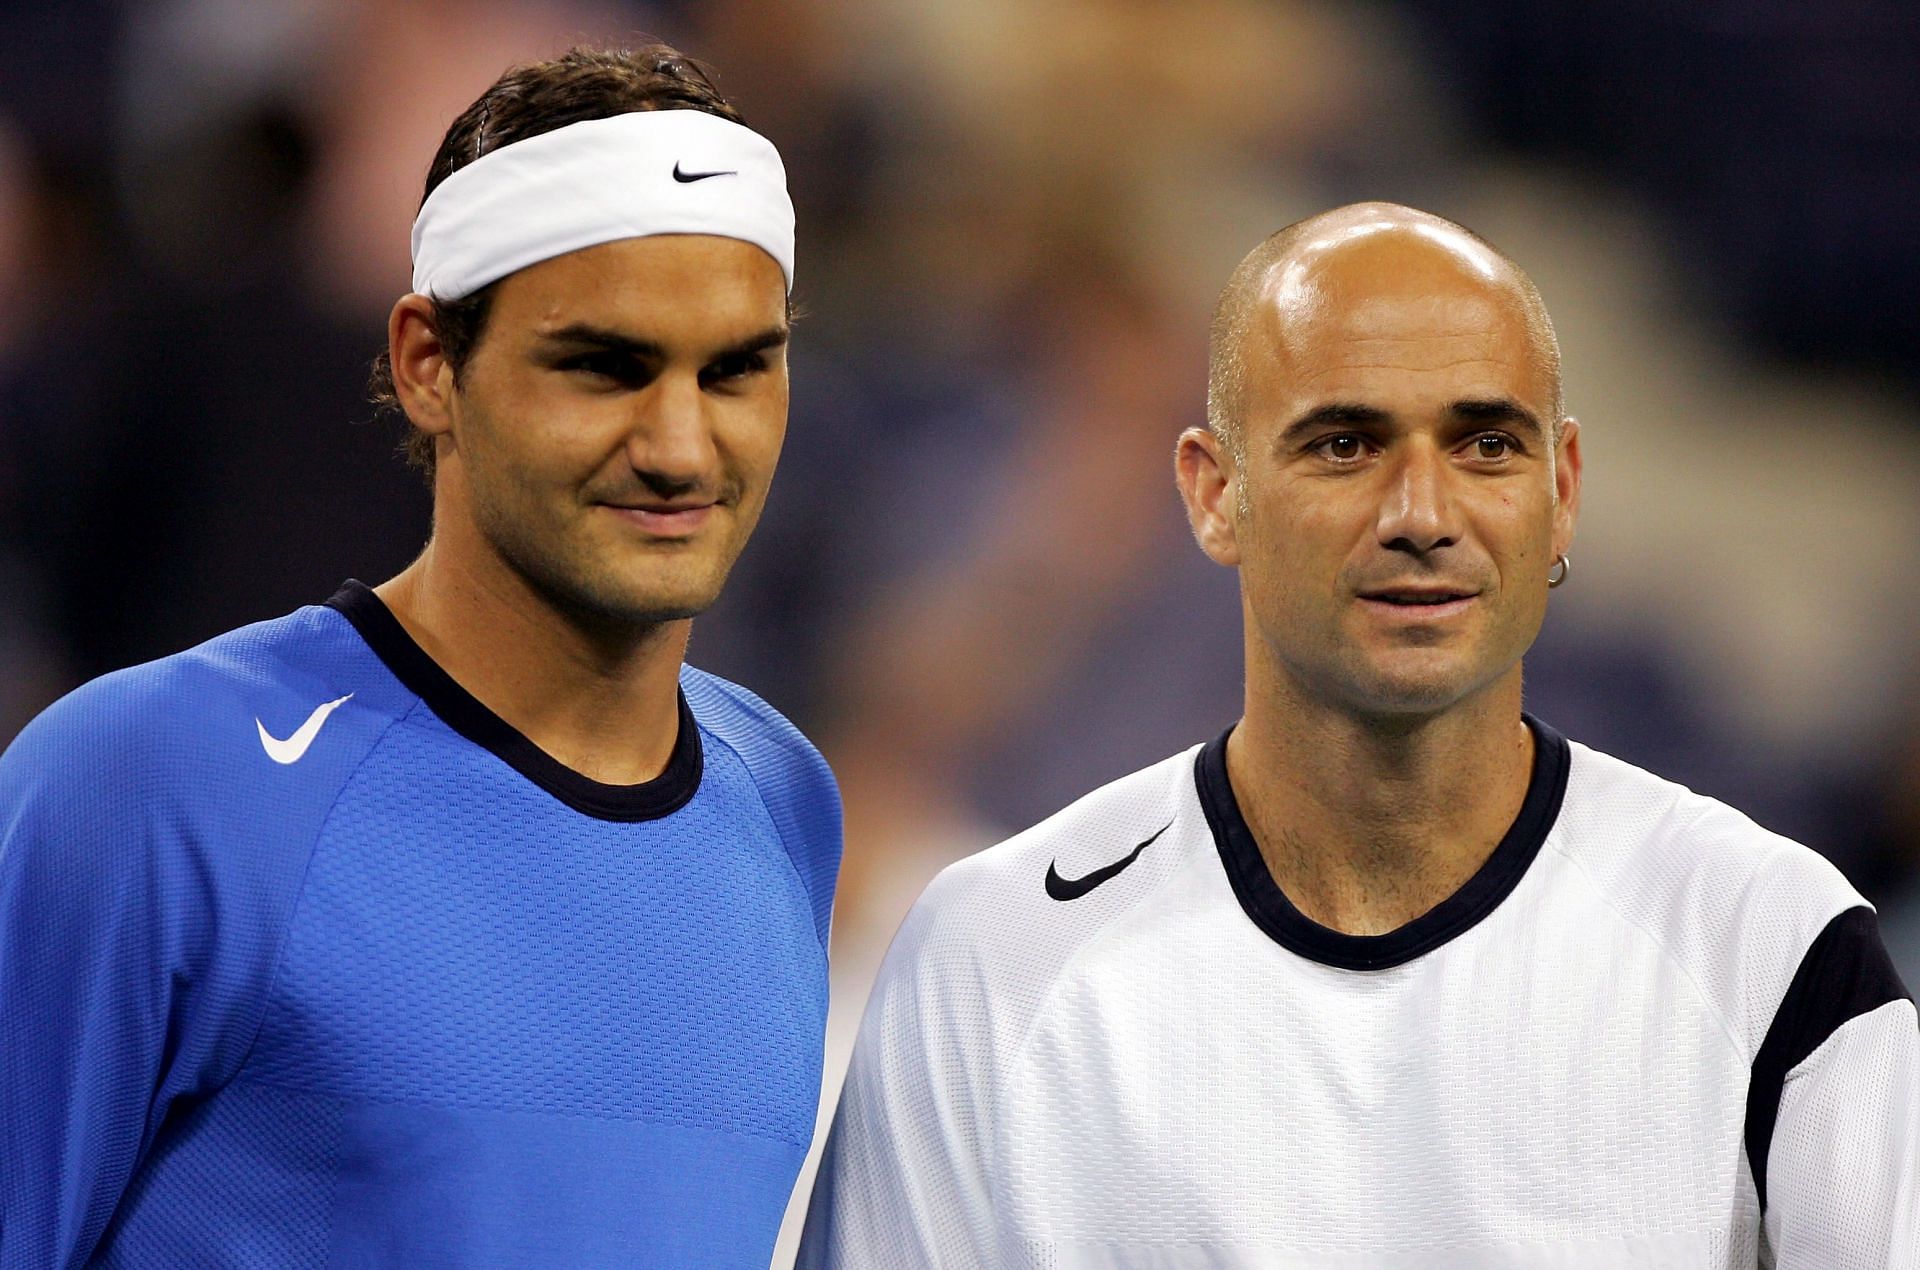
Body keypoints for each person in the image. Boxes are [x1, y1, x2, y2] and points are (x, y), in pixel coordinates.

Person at [800, 202, 1917, 1267]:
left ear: (1563, 489)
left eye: (1486, 445)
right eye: (1345, 444)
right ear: (1214, 492)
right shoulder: (989, 957)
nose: (1423, 514)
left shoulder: (1773, 946)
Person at [0, 45, 839, 1266]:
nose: (679, 445)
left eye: (735, 372)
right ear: (427, 364)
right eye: (603, 366)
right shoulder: (143, 780)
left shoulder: (785, 800)